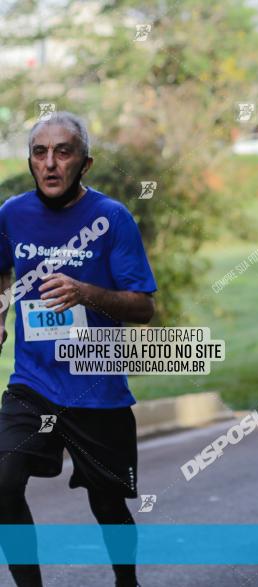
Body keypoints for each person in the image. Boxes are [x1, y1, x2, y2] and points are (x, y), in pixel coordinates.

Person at [0, 112, 157, 586]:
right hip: (33, 384)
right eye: (40, 152)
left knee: (108, 505)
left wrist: (84, 292)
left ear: (85, 164)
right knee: (2, 482)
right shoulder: (11, 214)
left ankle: (126, 581)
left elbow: (143, 307)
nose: (50, 163)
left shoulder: (112, 219)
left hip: (97, 387)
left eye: (63, 152)